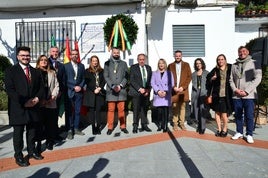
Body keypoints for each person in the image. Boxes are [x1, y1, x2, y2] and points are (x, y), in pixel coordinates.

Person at [4, 46, 45, 167]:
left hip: (33, 107)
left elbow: (41, 88)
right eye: (23, 55)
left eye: (27, 55)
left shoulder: (35, 71)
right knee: (18, 133)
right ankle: (19, 155)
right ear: (18, 56)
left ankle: (32, 152)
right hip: (18, 108)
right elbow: (10, 90)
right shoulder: (11, 71)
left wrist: (37, 98)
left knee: (32, 132)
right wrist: (24, 102)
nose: (26, 57)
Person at [230, 46, 262, 143]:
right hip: (237, 95)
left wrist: (246, 91)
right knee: (238, 115)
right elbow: (231, 80)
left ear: (248, 52)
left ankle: (249, 134)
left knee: (249, 115)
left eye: (244, 51)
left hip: (249, 95)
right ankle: (239, 132)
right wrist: (235, 90)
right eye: (240, 51)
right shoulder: (234, 65)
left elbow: (258, 78)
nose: (242, 53)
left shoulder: (255, 63)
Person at [103, 47, 129, 135]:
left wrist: (121, 85)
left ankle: (123, 126)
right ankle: (110, 127)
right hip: (111, 90)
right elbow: (106, 76)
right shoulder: (107, 63)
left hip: (121, 90)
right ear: (112, 53)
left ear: (119, 53)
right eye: (115, 52)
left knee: (121, 110)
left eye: (118, 52)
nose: (116, 54)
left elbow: (126, 76)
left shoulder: (124, 63)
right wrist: (113, 86)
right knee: (111, 110)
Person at [36, 55, 59, 150]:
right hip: (39, 102)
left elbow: (57, 85)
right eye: (41, 60)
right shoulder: (35, 72)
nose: (44, 61)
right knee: (39, 124)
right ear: (38, 62)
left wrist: (53, 96)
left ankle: (50, 142)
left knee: (51, 123)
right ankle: (38, 143)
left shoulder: (52, 72)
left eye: (45, 60)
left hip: (50, 101)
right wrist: (40, 99)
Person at [206, 54, 233, 137]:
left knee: (224, 114)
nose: (220, 61)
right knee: (217, 113)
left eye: (222, 59)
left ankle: (225, 129)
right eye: (219, 60)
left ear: (225, 60)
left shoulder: (230, 68)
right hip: (216, 95)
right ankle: (219, 129)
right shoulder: (215, 70)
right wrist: (212, 79)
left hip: (227, 94)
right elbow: (208, 78)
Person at [168, 50, 192, 131]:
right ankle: (175, 123)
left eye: (179, 55)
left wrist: (183, 87)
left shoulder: (186, 65)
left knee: (182, 107)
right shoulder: (170, 65)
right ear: (174, 56)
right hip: (174, 90)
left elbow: (189, 77)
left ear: (181, 56)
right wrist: (173, 87)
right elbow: (168, 78)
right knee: (175, 107)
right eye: (176, 55)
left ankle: (181, 123)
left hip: (182, 90)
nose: (178, 57)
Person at [64, 49, 85, 139]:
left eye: (76, 54)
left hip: (79, 92)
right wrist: (73, 87)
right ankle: (69, 130)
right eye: (73, 54)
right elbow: (64, 80)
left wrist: (80, 86)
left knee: (77, 111)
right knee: (69, 112)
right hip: (69, 91)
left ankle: (76, 128)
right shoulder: (65, 66)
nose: (75, 56)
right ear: (70, 56)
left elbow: (83, 78)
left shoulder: (81, 66)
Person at [129, 53, 152, 133]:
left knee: (144, 109)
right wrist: (140, 89)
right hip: (136, 92)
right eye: (140, 59)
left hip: (146, 93)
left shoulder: (148, 68)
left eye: (143, 59)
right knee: (136, 110)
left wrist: (148, 90)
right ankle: (135, 126)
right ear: (138, 60)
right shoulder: (133, 67)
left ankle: (144, 125)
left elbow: (150, 81)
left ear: (145, 60)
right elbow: (132, 80)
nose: (142, 61)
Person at [83, 55, 106, 135]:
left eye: (96, 61)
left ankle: (98, 127)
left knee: (98, 111)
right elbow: (87, 82)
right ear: (91, 62)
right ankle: (93, 127)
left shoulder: (102, 71)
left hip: (99, 93)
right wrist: (94, 89)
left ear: (98, 62)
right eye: (93, 61)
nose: (95, 62)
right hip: (90, 93)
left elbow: (104, 81)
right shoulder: (87, 71)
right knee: (92, 111)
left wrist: (99, 88)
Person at [151, 59, 174, 132]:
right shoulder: (154, 73)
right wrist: (158, 91)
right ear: (158, 64)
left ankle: (165, 126)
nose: (161, 65)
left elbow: (172, 84)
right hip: (158, 94)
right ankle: (160, 125)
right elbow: (152, 83)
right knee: (159, 112)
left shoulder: (169, 73)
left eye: (162, 63)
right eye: (160, 63)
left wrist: (166, 91)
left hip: (166, 94)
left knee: (166, 111)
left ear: (165, 64)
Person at [48, 46, 67, 134]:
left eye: (56, 52)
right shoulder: (45, 62)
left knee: (55, 114)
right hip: (48, 94)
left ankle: (55, 133)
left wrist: (60, 92)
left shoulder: (61, 66)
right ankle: (48, 133)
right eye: (53, 51)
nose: (55, 53)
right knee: (48, 115)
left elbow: (63, 80)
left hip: (58, 94)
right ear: (49, 53)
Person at [191, 58, 209, 134]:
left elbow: (210, 84)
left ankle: (203, 127)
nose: (198, 65)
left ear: (202, 64)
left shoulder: (207, 73)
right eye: (197, 63)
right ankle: (198, 125)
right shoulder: (193, 74)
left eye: (199, 63)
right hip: (195, 93)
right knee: (196, 110)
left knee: (202, 110)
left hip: (203, 93)